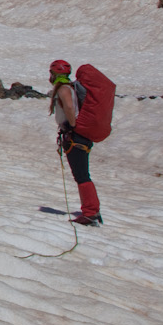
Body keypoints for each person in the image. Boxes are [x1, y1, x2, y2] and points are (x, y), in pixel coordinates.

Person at [49, 59, 103, 226]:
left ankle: (90, 212)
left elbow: (70, 108)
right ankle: (92, 210)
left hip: (75, 135)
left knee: (81, 175)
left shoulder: (64, 88)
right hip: (80, 135)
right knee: (82, 174)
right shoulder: (71, 87)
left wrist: (72, 127)